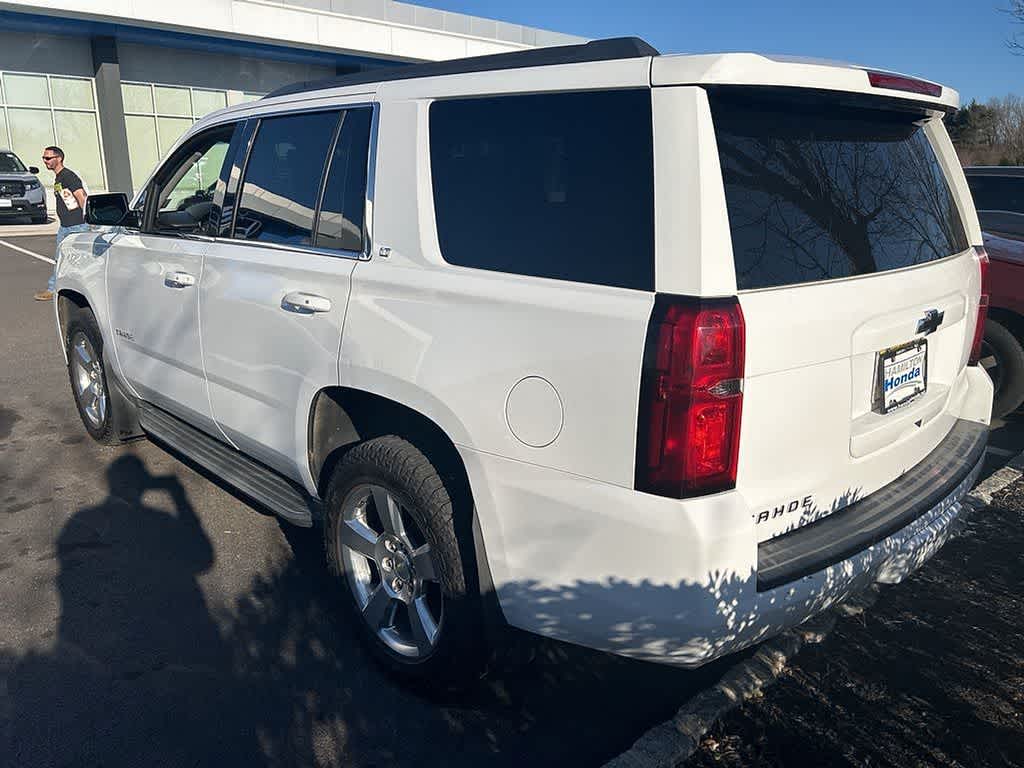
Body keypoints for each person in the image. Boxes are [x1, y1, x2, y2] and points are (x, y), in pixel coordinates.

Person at [34, 146, 88, 301]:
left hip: (76, 226)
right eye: (43, 158)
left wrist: (88, 220)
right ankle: (54, 289)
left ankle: (56, 289)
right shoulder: (59, 177)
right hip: (66, 226)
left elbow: (81, 196)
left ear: (59, 158)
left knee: (76, 259)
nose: (45, 161)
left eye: (48, 158)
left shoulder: (68, 176)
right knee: (61, 259)